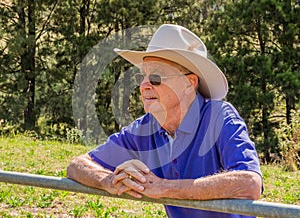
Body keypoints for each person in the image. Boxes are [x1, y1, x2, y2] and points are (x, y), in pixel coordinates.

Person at [67, 24, 263, 218]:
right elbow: (77, 166)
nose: (143, 86)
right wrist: (108, 181)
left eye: (155, 77)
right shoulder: (145, 127)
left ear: (189, 83)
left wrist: (165, 187)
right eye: (141, 76)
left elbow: (250, 183)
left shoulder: (220, 116)